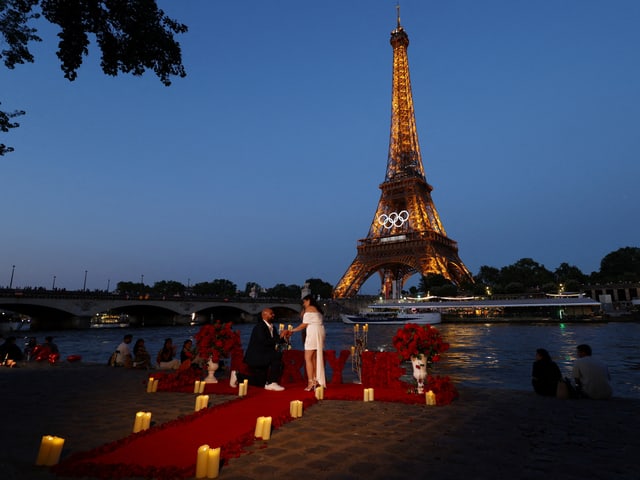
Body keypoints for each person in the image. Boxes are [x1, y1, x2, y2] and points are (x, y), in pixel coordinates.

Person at [235, 308, 287, 391]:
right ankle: (272, 382)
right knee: (277, 355)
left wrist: (285, 337)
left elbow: (276, 340)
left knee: (260, 383)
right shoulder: (259, 327)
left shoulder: (272, 327)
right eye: (271, 313)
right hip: (257, 358)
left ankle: (238, 376)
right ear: (264, 315)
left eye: (273, 313)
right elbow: (264, 342)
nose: (273, 315)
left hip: (264, 356)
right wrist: (280, 337)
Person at [288, 294, 326, 390]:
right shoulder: (318, 310)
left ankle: (310, 382)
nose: (304, 304)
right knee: (315, 358)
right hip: (320, 331)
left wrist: (292, 330)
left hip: (313, 332)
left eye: (304, 302)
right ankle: (316, 380)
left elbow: (303, 325)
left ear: (308, 300)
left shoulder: (309, 309)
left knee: (308, 358)